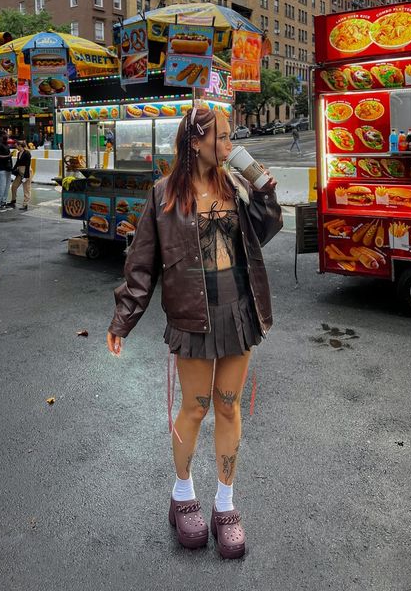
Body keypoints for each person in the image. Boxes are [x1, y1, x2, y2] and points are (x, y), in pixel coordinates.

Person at [106, 108, 283, 559]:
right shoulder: (164, 195)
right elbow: (141, 263)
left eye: (230, 136)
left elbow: (265, 231)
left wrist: (265, 192)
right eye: (222, 137)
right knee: (195, 407)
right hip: (192, 317)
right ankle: (182, 494)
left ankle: (225, 503)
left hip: (239, 312)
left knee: (228, 406)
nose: (229, 144)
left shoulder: (235, 187)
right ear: (195, 141)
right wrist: (124, 318)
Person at [0, 130, 13, 211]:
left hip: (7, 168)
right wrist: (8, 156)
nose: (7, 136)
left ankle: (3, 202)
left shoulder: (5, 144)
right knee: (2, 186)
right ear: (1, 136)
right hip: (0, 168)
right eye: (6, 134)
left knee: (6, 187)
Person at [9, 141, 32, 211]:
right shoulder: (19, 153)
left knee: (26, 189)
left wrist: (26, 176)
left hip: (26, 171)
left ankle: (25, 204)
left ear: (20, 146)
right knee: (14, 186)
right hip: (20, 171)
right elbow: (17, 163)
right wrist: (13, 169)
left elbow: (28, 165)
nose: (16, 147)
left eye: (17, 146)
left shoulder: (27, 153)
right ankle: (13, 200)